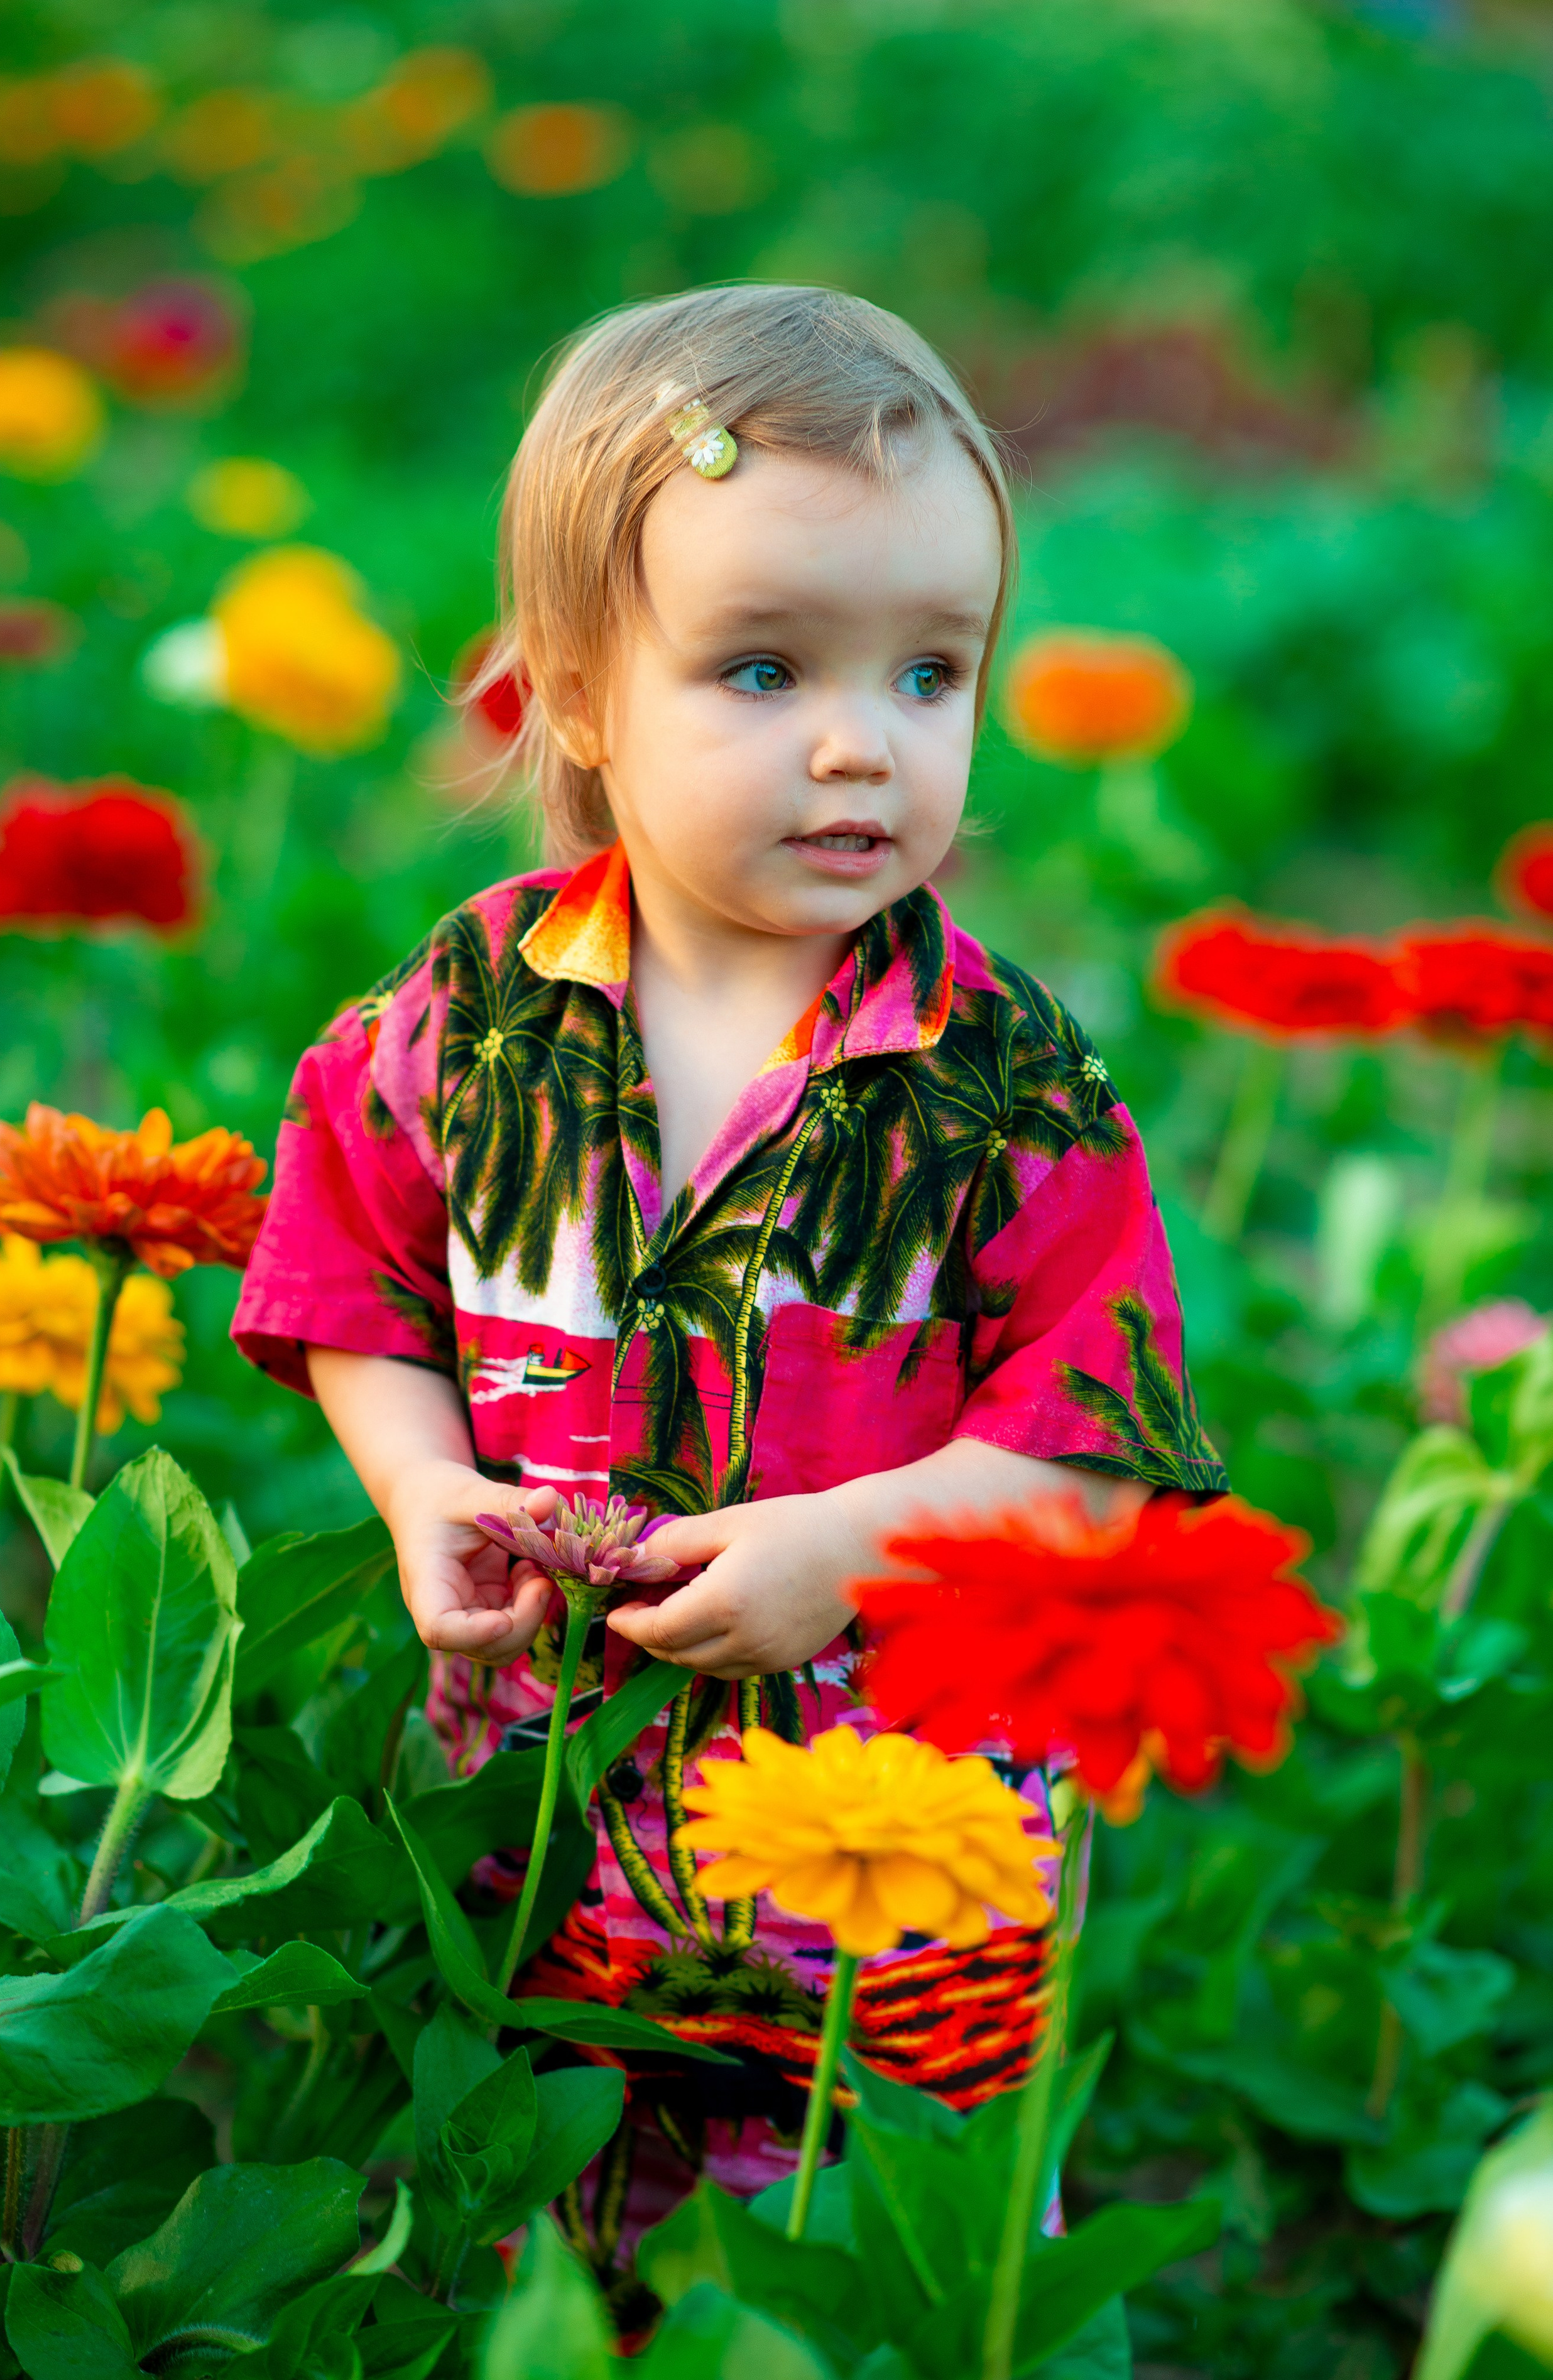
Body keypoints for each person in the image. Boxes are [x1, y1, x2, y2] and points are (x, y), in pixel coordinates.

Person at [232, 283, 1224, 2273]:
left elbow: (1093, 1447)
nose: (864, 744)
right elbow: (355, 1283)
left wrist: (850, 1547)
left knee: (859, 2250)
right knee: (537, 2203)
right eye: (765, 669)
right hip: (541, 1809)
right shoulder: (472, 1022)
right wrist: (420, 1488)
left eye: (932, 672)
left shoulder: (1010, 1092)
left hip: (886, 1863)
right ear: (579, 695)